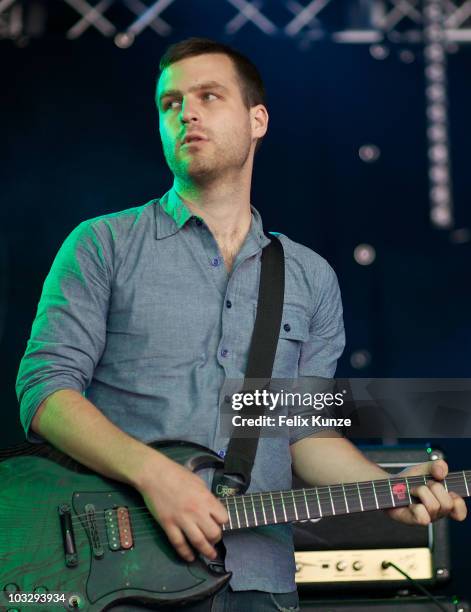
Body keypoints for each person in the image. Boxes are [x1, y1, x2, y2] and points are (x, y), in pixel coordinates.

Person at [16, 38, 467, 612]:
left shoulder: (309, 277)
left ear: (258, 120)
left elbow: (302, 435)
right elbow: (44, 392)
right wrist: (156, 475)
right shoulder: (102, 244)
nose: (187, 113)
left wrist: (390, 493)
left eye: (208, 96)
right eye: (170, 103)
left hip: (258, 582)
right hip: (114, 577)